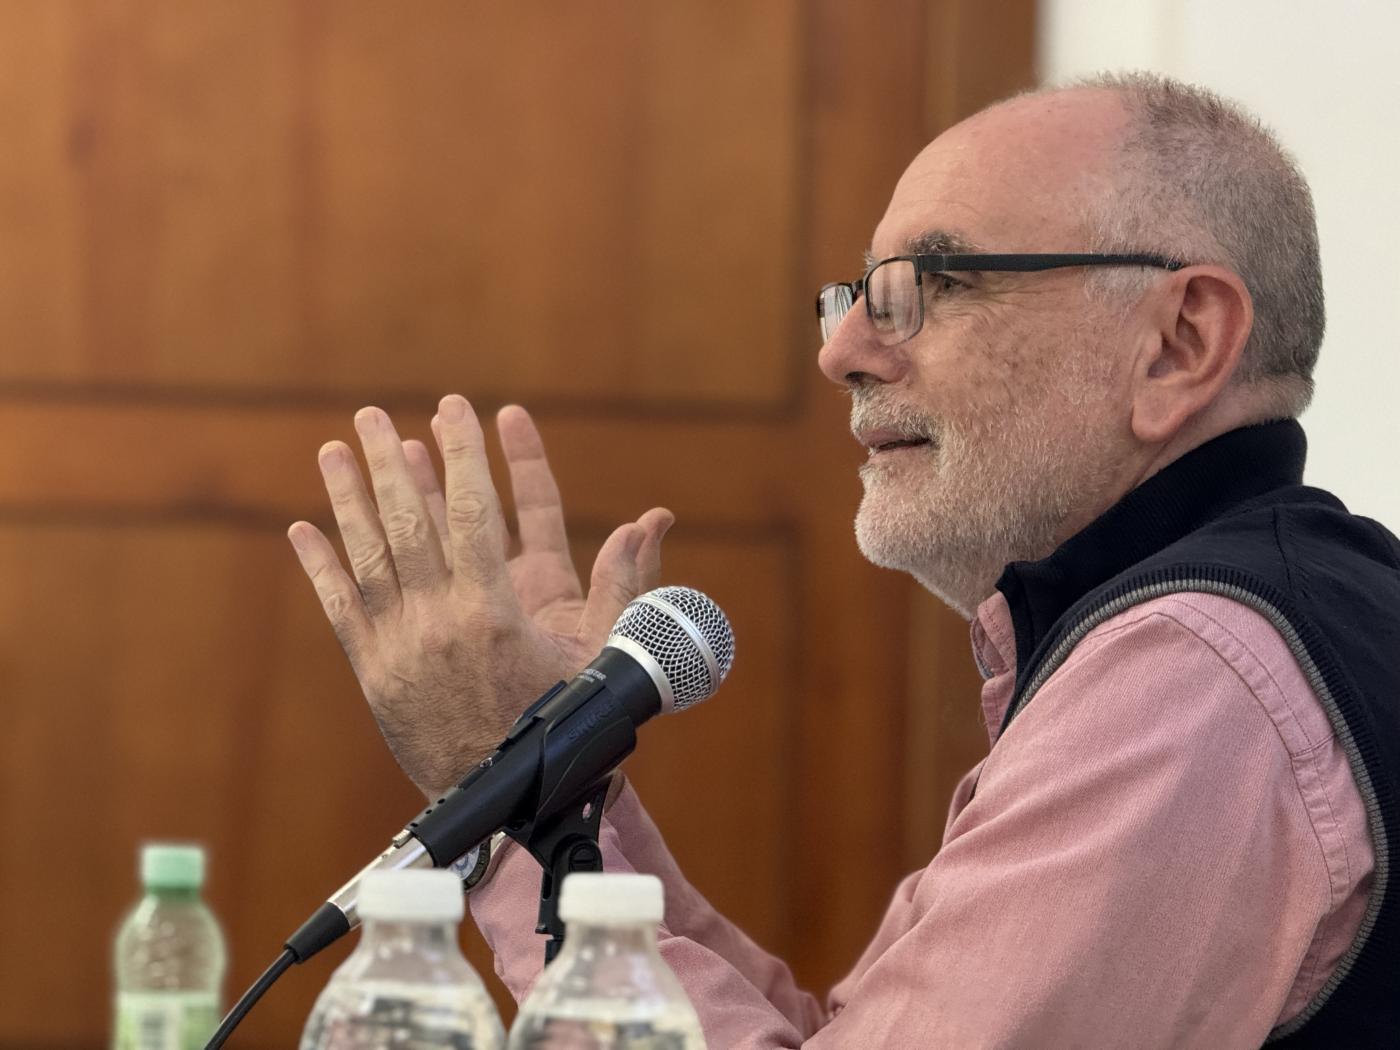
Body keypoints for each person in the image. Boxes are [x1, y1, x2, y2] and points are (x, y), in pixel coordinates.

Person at [285, 73, 1400, 1047]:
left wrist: (491, 779)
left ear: (1178, 342)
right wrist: (550, 792)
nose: (841, 351)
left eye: (928, 285)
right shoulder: (1230, 629)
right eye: (853, 292)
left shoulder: (1192, 680)